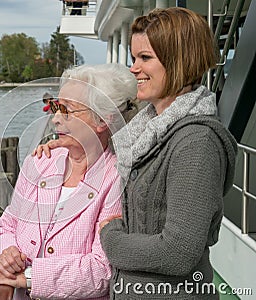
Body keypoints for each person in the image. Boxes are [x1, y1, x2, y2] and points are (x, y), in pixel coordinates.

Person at [35, 7, 238, 299]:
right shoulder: (148, 131)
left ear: (178, 61)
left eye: (145, 58)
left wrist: (111, 238)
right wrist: (70, 146)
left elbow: (179, 251)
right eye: (133, 58)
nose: (133, 69)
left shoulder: (196, 142)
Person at [0, 63, 138, 299]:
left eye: (67, 110)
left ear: (102, 120)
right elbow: (7, 225)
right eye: (55, 107)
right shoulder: (41, 162)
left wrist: (28, 277)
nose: (55, 120)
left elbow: (102, 270)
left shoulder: (117, 179)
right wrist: (6, 253)